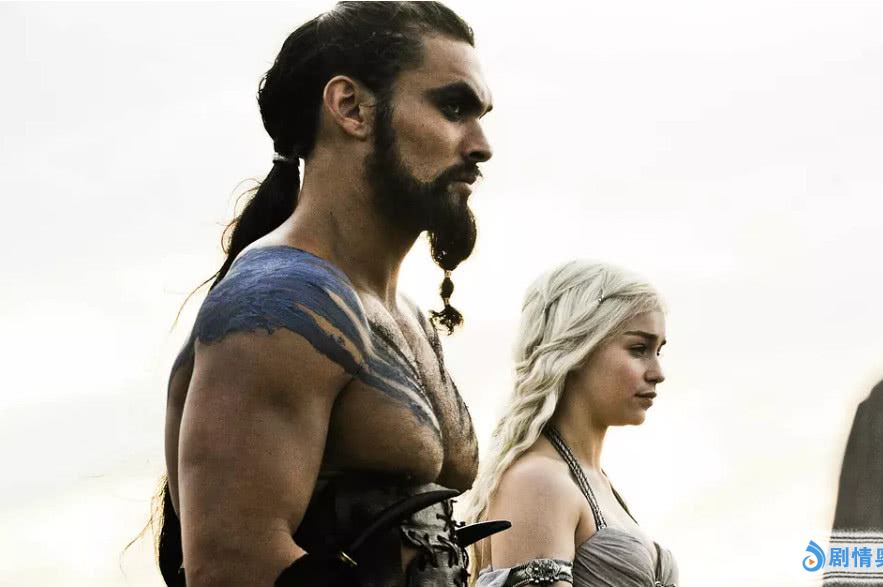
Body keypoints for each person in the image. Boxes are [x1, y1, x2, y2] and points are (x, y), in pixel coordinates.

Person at [156, 3, 507, 586]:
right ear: (350, 107)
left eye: (481, 116)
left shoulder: (405, 317)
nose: (481, 145)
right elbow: (232, 569)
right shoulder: (282, 303)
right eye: (453, 109)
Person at [465, 260, 680, 586]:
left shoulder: (594, 480)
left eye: (658, 351)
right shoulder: (537, 481)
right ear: (577, 348)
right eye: (639, 349)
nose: (658, 373)